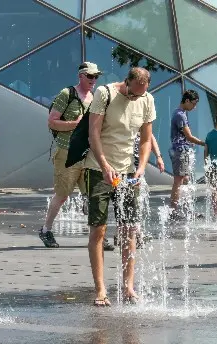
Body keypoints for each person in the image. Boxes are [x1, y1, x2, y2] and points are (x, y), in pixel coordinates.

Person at [85, 67, 156, 306]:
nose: (137, 98)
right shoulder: (105, 94)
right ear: (126, 83)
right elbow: (93, 133)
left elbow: (146, 139)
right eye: (134, 94)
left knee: (129, 229)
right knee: (99, 229)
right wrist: (105, 165)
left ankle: (128, 287)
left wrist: (141, 167)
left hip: (128, 173)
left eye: (142, 94)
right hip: (98, 169)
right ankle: (101, 289)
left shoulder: (147, 100)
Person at [39, 62, 113, 249]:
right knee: (63, 195)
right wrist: (76, 124)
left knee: (93, 195)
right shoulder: (67, 94)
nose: (94, 80)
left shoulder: (96, 97)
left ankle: (98, 237)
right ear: (81, 76)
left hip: (88, 153)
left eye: (96, 77)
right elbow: (52, 122)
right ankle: (46, 230)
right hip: (67, 152)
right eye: (90, 76)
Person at [169, 90, 205, 211]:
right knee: (178, 181)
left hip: (181, 149)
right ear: (187, 100)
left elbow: (184, 137)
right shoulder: (180, 114)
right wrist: (203, 143)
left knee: (185, 179)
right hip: (180, 151)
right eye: (194, 103)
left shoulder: (179, 112)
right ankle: (173, 210)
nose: (194, 107)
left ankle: (185, 208)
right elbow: (189, 136)